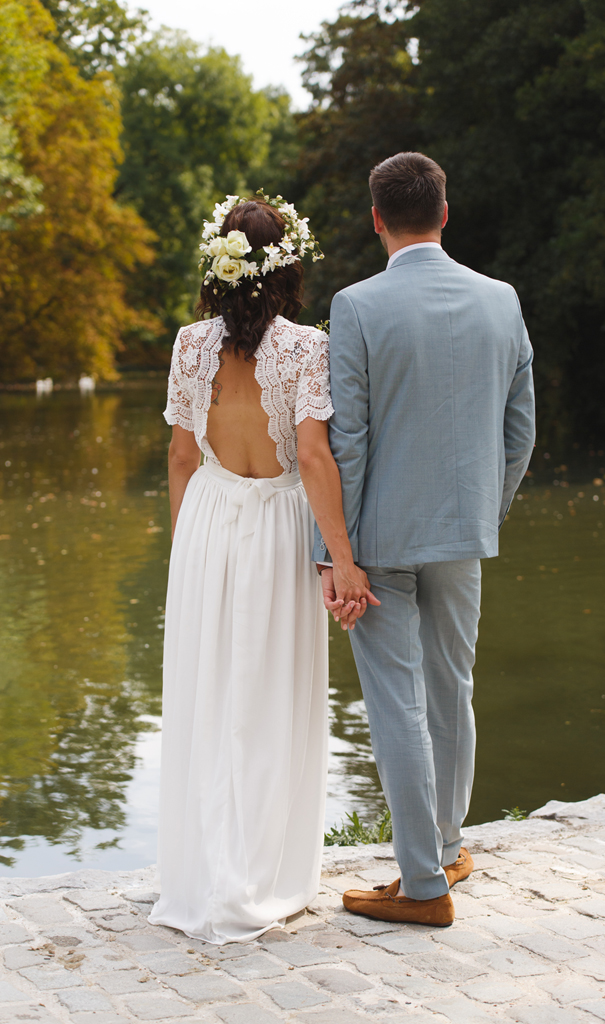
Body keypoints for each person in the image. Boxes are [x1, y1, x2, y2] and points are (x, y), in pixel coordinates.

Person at [149, 193, 376, 944]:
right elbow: (312, 458)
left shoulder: (188, 345)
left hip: (210, 523)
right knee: (272, 695)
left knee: (210, 695)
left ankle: (205, 874)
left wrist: (185, 559)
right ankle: (261, 873)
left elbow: (183, 458)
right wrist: (341, 560)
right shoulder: (307, 347)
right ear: (288, 266)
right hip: (280, 525)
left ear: (218, 266)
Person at [317, 152, 536, 926]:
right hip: (462, 529)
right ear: (445, 212)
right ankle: (445, 847)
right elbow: (519, 431)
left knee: (396, 706)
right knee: (451, 688)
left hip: (377, 540)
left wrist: (332, 553)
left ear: (376, 218)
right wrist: (485, 509)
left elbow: (348, 440)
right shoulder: (501, 299)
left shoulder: (355, 306)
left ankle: (421, 886)